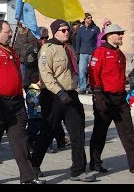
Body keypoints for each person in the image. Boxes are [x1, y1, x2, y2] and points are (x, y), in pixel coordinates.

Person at [0, 20, 44, 184]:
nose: (11, 33)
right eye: (7, 31)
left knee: (21, 140)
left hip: (16, 103)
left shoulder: (12, 51)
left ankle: (28, 177)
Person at [31, 19, 96, 182]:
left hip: (70, 94)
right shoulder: (47, 49)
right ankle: (33, 166)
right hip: (53, 96)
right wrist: (59, 92)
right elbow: (46, 74)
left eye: (68, 29)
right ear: (55, 32)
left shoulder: (70, 48)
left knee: (77, 132)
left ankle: (78, 170)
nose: (67, 32)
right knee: (48, 132)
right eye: (63, 30)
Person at [88, 23, 134, 173]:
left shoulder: (119, 53)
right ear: (109, 36)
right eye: (118, 33)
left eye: (121, 33)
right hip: (105, 98)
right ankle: (95, 163)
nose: (121, 36)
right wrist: (97, 95)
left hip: (120, 99)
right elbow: (93, 74)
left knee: (128, 132)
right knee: (100, 133)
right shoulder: (100, 52)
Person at [75, 13, 100, 94]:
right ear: (84, 19)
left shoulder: (95, 28)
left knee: (92, 71)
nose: (90, 19)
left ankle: (91, 87)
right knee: (82, 70)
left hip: (92, 53)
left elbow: (98, 41)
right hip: (82, 53)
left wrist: (97, 52)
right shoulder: (80, 29)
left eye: (91, 18)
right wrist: (77, 53)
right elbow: (78, 41)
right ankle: (83, 87)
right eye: (88, 18)